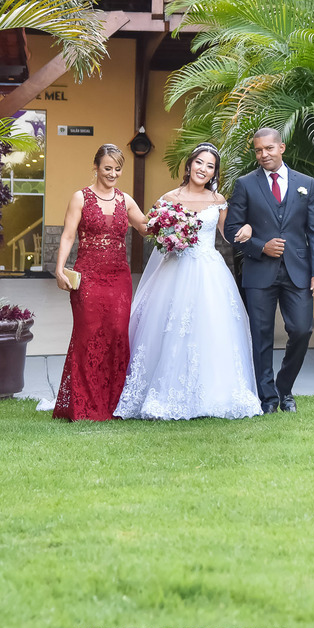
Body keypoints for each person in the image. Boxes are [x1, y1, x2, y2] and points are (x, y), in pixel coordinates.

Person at [114, 143, 262, 420]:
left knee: (210, 328)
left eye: (210, 166)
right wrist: (166, 233)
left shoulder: (218, 200)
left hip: (209, 272)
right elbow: (149, 229)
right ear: (190, 164)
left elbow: (229, 234)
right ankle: (164, 393)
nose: (203, 169)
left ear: (214, 173)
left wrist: (247, 228)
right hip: (175, 270)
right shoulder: (169, 198)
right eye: (199, 163)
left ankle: (212, 394)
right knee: (171, 329)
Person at [223, 128, 314, 414]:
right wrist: (260, 246)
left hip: (298, 271)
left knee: (302, 330)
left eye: (269, 148)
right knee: (261, 336)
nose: (263, 154)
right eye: (258, 150)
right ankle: (267, 398)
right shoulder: (245, 184)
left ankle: (284, 387)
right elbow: (231, 230)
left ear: (281, 148)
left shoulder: (306, 183)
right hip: (259, 272)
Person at [52, 144, 147, 421]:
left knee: (117, 334)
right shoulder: (80, 198)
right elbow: (68, 235)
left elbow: (145, 227)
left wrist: (173, 219)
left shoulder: (126, 200)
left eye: (118, 169)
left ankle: (115, 403)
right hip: (89, 277)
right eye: (107, 168)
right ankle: (84, 406)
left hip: (119, 278)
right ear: (95, 167)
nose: (113, 174)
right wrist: (59, 268)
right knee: (89, 335)